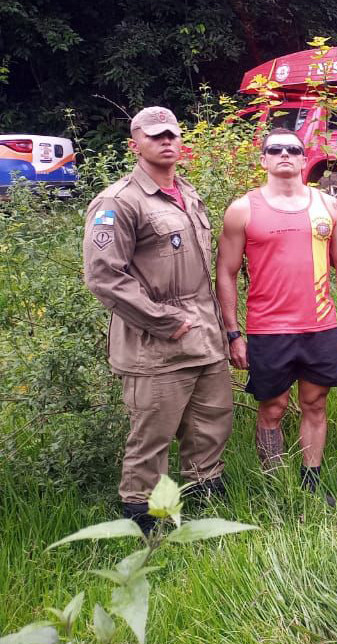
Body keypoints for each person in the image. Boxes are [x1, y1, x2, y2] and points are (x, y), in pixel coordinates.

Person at [83, 106, 233, 533]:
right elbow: (104, 277)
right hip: (157, 344)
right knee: (152, 437)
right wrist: (163, 320)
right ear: (135, 145)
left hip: (204, 336)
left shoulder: (186, 192)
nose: (166, 141)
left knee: (212, 424)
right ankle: (144, 519)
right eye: (155, 136)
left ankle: (205, 499)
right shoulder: (119, 201)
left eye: (172, 134)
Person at [216, 127, 337, 503]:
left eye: (293, 149)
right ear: (263, 159)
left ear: (302, 159)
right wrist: (233, 333)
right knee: (273, 407)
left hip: (320, 325)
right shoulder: (243, 209)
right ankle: (277, 486)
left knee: (315, 403)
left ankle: (311, 483)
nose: (284, 154)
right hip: (268, 329)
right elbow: (226, 273)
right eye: (275, 149)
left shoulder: (327, 206)